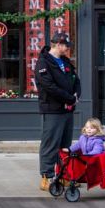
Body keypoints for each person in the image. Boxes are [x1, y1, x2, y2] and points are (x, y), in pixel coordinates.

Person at [35, 32, 81, 191]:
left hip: (67, 111)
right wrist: (69, 98)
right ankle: (46, 177)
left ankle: (62, 176)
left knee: (64, 145)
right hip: (53, 110)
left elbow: (76, 80)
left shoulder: (65, 61)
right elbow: (49, 87)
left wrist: (76, 95)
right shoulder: (43, 62)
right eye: (66, 46)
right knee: (50, 144)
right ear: (58, 44)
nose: (68, 49)